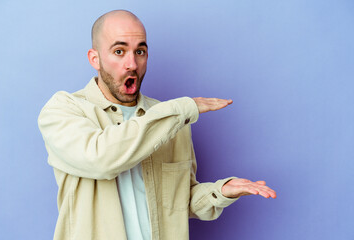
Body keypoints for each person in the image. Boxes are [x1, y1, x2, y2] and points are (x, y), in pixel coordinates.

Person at [38, 10, 276, 240]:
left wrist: (220, 192)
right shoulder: (63, 109)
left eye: (140, 51)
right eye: (119, 51)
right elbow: (101, 159)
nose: (132, 63)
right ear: (95, 58)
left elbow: (182, 202)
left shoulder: (173, 120)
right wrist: (179, 111)